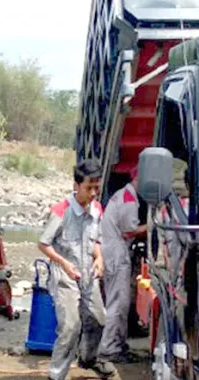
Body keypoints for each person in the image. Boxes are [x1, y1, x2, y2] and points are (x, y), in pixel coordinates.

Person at [38, 159, 117, 380]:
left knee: (99, 319)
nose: (93, 193)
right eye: (88, 187)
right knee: (70, 327)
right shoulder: (61, 210)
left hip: (88, 273)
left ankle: (89, 358)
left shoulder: (97, 209)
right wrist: (63, 263)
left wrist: (99, 258)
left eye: (96, 188)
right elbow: (43, 244)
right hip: (65, 274)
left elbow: (97, 240)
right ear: (76, 185)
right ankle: (56, 375)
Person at [98, 166, 147, 364]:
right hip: (116, 252)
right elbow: (129, 231)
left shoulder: (124, 195)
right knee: (118, 303)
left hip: (112, 250)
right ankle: (110, 348)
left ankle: (118, 344)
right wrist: (153, 225)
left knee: (118, 301)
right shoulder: (128, 199)